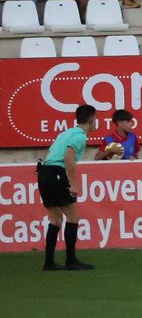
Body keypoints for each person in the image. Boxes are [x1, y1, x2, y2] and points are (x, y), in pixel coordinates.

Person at [37, 102, 97, 271]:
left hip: (44, 173)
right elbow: (68, 158)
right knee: (73, 218)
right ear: (92, 119)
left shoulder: (65, 133)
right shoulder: (79, 136)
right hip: (56, 173)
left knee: (55, 219)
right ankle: (71, 261)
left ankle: (49, 263)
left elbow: (53, 154)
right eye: (95, 119)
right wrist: (74, 184)